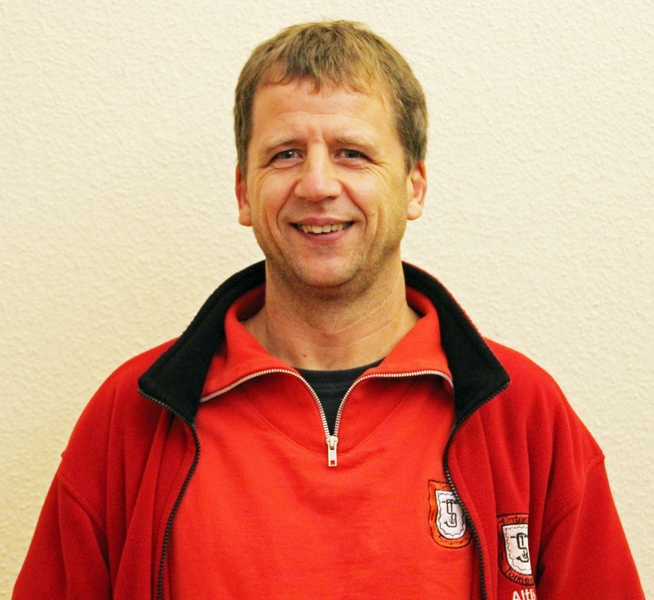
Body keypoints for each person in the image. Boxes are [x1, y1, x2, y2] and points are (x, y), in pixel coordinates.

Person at [14, 20, 643, 600]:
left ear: (414, 185)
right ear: (243, 191)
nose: (317, 185)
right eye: (286, 153)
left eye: (352, 153)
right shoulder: (130, 419)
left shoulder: (523, 415)